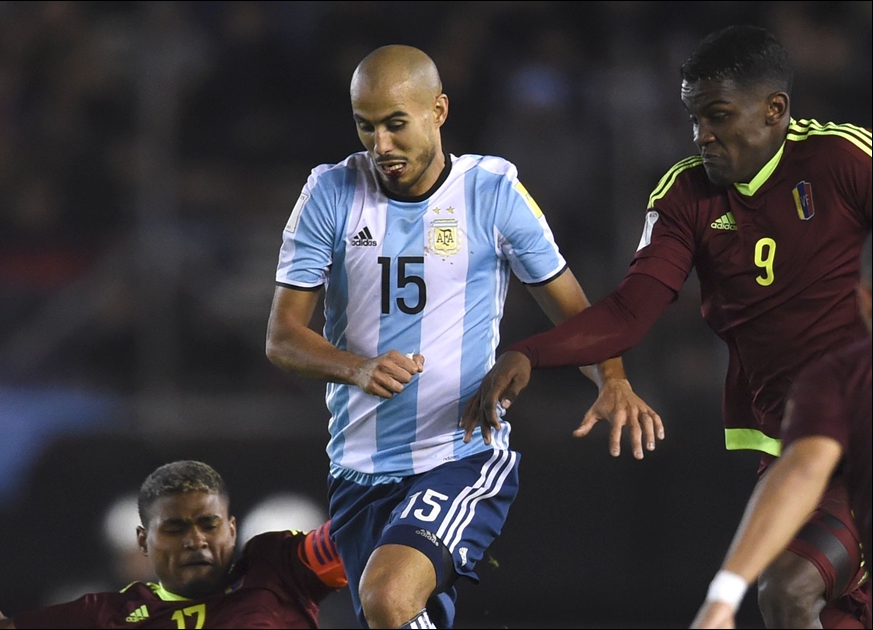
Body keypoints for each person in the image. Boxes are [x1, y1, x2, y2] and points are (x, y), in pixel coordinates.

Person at [462, 24, 872, 629]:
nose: (702, 134)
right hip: (788, 441)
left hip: (856, 431)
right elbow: (630, 312)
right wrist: (529, 353)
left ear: (775, 111)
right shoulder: (685, 196)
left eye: (718, 115)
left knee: (786, 593)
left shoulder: (840, 157)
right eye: (694, 117)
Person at [265, 44, 661, 629]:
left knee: (387, 598)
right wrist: (355, 367)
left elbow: (578, 317)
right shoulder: (330, 192)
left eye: (396, 125)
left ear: (438, 110)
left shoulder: (493, 193)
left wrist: (614, 377)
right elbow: (282, 337)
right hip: (357, 467)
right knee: (399, 616)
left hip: (459, 454)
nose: (382, 146)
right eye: (366, 126)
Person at [0, 442, 347, 629]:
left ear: (231, 529)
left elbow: (361, 533)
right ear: (144, 542)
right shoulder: (110, 614)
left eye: (209, 524)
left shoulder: (278, 567)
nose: (195, 540)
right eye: (174, 528)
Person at [691, 236, 872, 629]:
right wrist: (726, 592)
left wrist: (724, 595)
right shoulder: (836, 379)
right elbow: (803, 469)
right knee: (787, 588)